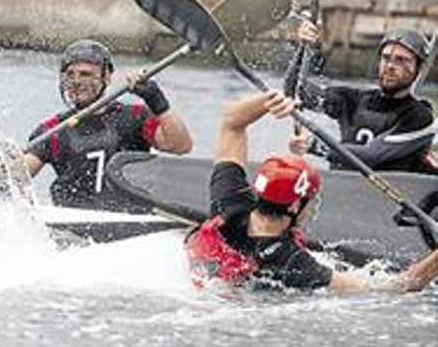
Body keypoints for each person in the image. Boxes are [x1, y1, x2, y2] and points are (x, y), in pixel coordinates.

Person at [184, 90, 438, 293]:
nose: (314, 205)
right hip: (239, 297)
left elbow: (231, 123)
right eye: (311, 199)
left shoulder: (228, 201)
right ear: (295, 207)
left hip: (198, 277)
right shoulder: (292, 262)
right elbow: (401, 285)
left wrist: (268, 100)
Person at [23, 40, 193, 211]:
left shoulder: (135, 116)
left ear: (107, 77)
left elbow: (180, 145)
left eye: (86, 74)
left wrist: (157, 101)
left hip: (129, 221)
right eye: (70, 74)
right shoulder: (52, 129)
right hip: (73, 224)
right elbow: (19, 174)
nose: (77, 81)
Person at [288, 22, 436, 174]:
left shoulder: (419, 117)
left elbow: (370, 156)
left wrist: (315, 146)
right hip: (345, 188)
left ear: (419, 68)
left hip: (390, 193)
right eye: (386, 58)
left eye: (401, 60)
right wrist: (303, 47)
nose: (390, 66)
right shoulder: (352, 100)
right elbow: (296, 92)